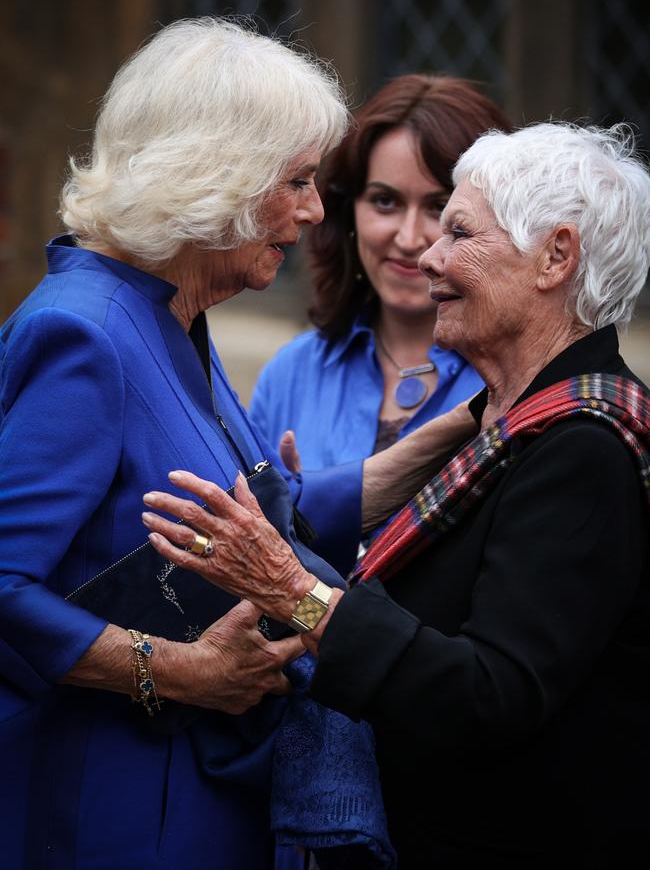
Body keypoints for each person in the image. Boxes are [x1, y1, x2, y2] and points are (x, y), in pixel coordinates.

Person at [0, 18, 475, 869]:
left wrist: (429, 457)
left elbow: (250, 515)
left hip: (200, 796)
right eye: (294, 181)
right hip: (113, 810)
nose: (314, 211)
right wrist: (177, 671)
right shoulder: (86, 335)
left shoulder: (174, 312)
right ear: (212, 178)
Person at [144, 121, 650, 868]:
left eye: (459, 232)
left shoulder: (583, 449)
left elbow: (489, 694)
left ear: (556, 257)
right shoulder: (515, 420)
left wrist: (293, 589)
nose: (429, 257)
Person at [249, 74, 512, 571]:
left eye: (440, 207)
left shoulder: (515, 379)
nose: (411, 238)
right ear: (347, 212)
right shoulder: (292, 373)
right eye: (385, 202)